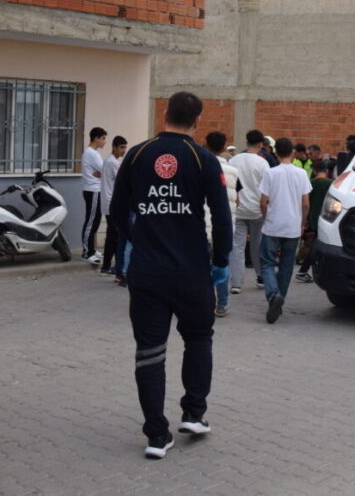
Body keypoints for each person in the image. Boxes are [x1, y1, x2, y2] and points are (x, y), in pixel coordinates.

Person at [109, 91, 232, 460]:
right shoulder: (204, 159)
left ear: (164, 113)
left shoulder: (138, 154)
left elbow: (116, 213)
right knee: (198, 338)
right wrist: (221, 261)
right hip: (192, 271)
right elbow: (222, 216)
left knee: (149, 352)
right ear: (197, 122)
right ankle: (194, 413)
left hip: (147, 273)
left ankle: (156, 435)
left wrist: (138, 240)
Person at [258, 137, 312, 324]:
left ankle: (273, 295)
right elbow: (306, 203)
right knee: (287, 267)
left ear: (276, 153)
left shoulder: (270, 173)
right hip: (292, 226)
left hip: (273, 225)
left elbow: (263, 202)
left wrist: (266, 216)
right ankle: (279, 300)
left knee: (266, 263)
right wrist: (303, 222)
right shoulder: (302, 174)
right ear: (292, 152)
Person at [229, 130, 270, 295]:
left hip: (238, 209)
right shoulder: (262, 163)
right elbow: (267, 189)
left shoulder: (233, 160)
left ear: (246, 142)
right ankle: (260, 277)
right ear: (261, 144)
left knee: (237, 246)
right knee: (257, 244)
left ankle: (236, 283)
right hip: (257, 210)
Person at [204, 131, 239, 317]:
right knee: (222, 264)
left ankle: (206, 302)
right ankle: (222, 304)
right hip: (226, 227)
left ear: (206, 145)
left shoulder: (200, 167)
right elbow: (237, 199)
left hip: (203, 226)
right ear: (224, 146)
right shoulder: (233, 171)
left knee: (202, 268)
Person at [294, 160, 332, 283]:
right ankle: (303, 271)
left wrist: (304, 220)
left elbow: (304, 203)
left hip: (312, 219)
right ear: (326, 171)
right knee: (317, 247)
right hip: (327, 219)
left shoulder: (310, 183)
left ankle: (305, 270)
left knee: (313, 245)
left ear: (314, 171)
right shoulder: (331, 184)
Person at [100, 136, 128, 278]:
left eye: (125, 147)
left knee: (112, 236)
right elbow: (121, 183)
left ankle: (108, 266)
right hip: (112, 202)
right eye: (122, 147)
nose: (124, 150)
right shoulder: (113, 163)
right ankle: (115, 267)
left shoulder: (108, 161)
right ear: (115, 147)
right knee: (115, 236)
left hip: (107, 201)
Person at [81, 127, 107, 263]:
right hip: (93, 191)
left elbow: (102, 172)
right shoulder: (92, 153)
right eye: (103, 138)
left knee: (95, 220)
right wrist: (102, 174)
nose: (104, 142)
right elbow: (105, 171)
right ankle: (87, 252)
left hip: (94, 190)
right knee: (91, 221)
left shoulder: (91, 152)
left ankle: (91, 249)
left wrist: (102, 174)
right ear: (96, 138)